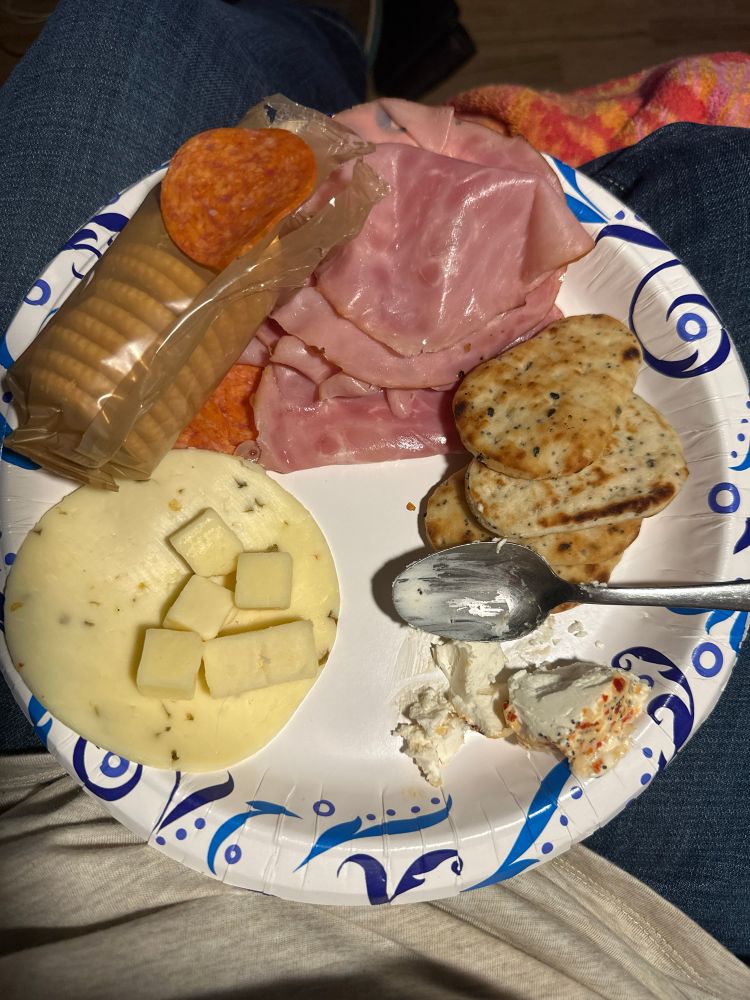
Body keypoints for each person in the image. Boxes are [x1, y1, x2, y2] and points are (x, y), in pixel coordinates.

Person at [1, 2, 748, 996]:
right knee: (720, 181)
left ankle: (324, 33)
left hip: (43, 827)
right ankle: (351, 45)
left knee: (138, 25)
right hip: (634, 936)